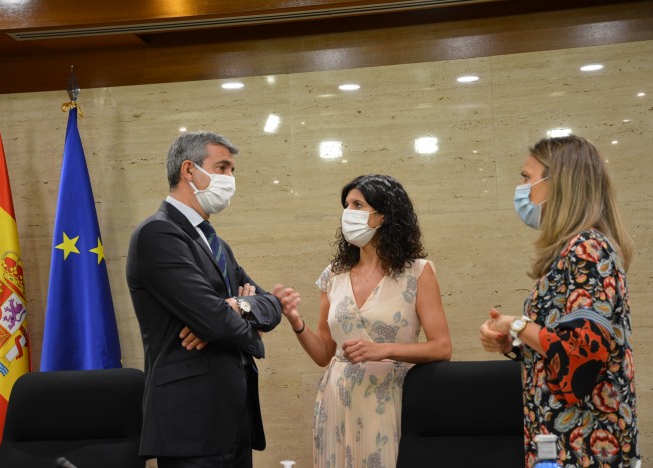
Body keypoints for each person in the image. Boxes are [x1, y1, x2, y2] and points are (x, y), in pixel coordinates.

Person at [126, 130, 297, 468]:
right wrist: (232, 316)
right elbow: (215, 322)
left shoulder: (216, 243)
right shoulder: (158, 234)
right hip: (191, 422)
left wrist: (238, 306)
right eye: (222, 168)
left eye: (232, 170)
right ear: (189, 170)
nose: (230, 179)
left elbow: (272, 305)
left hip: (234, 417)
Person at [479, 135, 640, 467]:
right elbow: (563, 343)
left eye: (527, 177)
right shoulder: (572, 251)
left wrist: (518, 324)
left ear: (559, 183)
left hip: (584, 445)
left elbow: (584, 355)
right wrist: (513, 341)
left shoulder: (588, 248)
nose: (521, 188)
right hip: (564, 439)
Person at [274, 174, 452, 467]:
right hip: (337, 400)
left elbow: (442, 347)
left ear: (384, 215)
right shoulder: (334, 275)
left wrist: (382, 350)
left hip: (390, 401)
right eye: (346, 205)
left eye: (358, 205)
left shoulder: (417, 272)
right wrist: (296, 322)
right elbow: (323, 353)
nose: (348, 213)